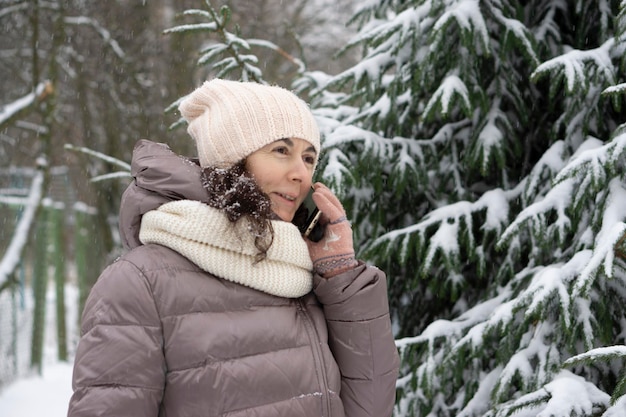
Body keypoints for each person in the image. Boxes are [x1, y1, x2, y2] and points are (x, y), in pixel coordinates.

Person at [67, 79, 400, 417]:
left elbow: (371, 408)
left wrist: (342, 276)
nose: (302, 173)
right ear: (231, 161)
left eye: (309, 157)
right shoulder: (140, 284)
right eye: (281, 151)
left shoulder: (306, 276)